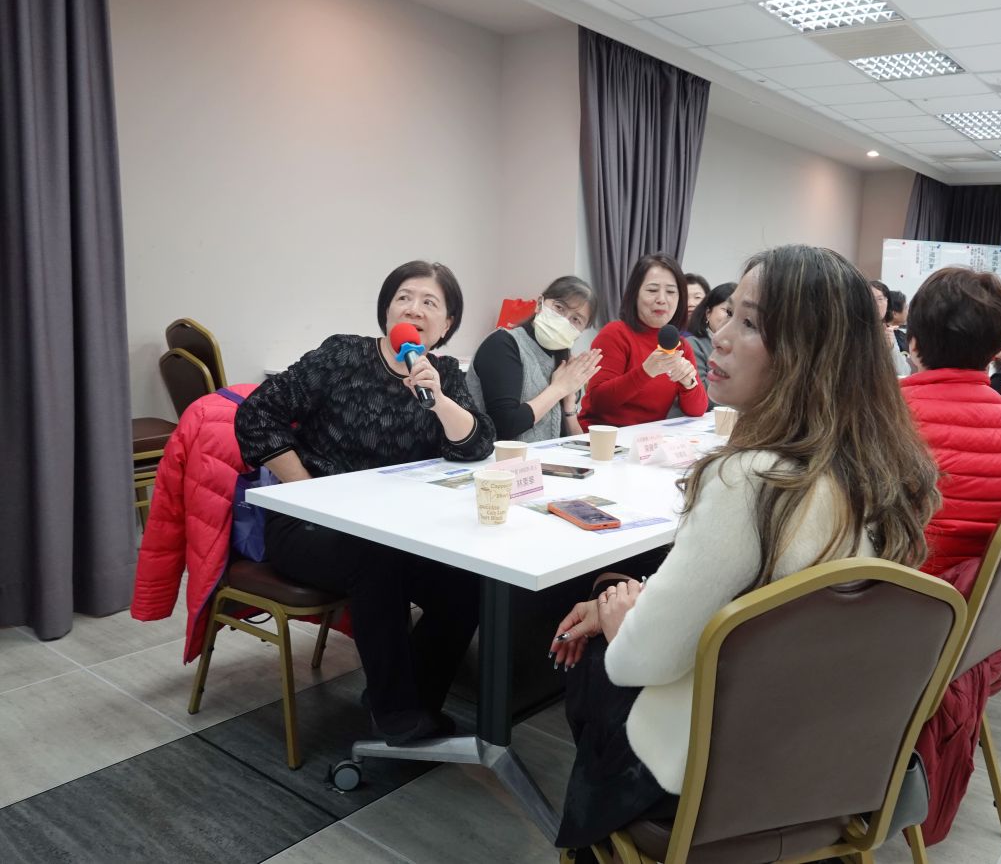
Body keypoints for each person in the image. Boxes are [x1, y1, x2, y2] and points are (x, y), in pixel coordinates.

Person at [550, 245, 942, 851]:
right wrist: (641, 602)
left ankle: (594, 842)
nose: (722, 336)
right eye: (728, 314)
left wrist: (620, 617)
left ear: (810, 353)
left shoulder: (751, 481)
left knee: (597, 661)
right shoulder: (881, 466)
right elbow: (754, 601)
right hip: (833, 753)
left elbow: (637, 663)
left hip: (720, 775)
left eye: (751, 323)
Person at [234, 260, 496, 745]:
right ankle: (396, 715)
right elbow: (257, 415)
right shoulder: (342, 355)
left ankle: (411, 698)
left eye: (430, 302)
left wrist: (438, 399)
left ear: (447, 324)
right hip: (308, 525)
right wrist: (305, 489)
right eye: (403, 298)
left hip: (394, 530)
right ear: (386, 310)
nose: (414, 309)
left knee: (468, 582)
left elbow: (477, 445)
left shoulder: (444, 374)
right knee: (376, 558)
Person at [902, 268, 1001, 578]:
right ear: (995, 350)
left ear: (914, 345)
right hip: (974, 590)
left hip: (895, 584)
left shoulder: (886, 412)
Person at [579, 254, 708, 428]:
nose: (661, 299)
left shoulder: (680, 345)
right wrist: (645, 372)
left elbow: (697, 410)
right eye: (652, 290)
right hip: (602, 436)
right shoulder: (615, 333)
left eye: (671, 292)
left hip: (647, 438)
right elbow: (598, 402)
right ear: (635, 294)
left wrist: (688, 382)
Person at [467, 276, 602, 442]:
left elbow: (574, 442)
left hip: (550, 457)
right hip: (500, 457)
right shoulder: (502, 344)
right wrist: (558, 389)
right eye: (559, 308)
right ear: (539, 304)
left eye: (576, 320)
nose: (564, 321)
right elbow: (505, 426)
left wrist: (569, 406)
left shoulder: (564, 362)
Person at [684, 281, 735, 400]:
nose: (733, 318)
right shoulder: (693, 344)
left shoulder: (742, 347)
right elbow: (701, 394)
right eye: (728, 311)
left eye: (739, 314)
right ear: (708, 313)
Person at [871, 279, 910, 377]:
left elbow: (904, 372)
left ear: (887, 302)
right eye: (871, 299)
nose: (876, 304)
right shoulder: (855, 330)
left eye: (880, 299)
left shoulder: (887, 331)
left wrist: (891, 348)